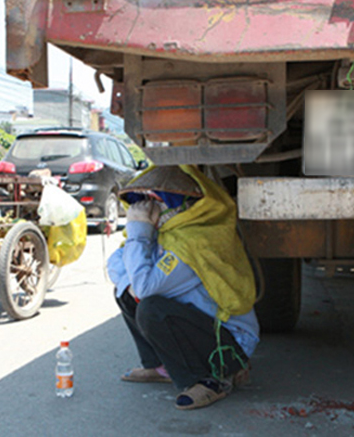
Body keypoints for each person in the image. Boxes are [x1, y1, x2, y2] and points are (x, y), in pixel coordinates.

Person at [107, 165, 259, 410]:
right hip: (204, 327)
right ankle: (161, 366)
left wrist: (138, 231)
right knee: (126, 293)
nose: (149, 209)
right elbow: (115, 262)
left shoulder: (192, 243)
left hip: (229, 345)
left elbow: (144, 287)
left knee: (150, 308)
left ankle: (211, 380)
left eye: (156, 201)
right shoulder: (167, 232)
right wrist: (132, 283)